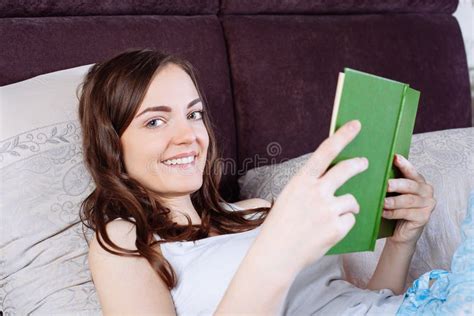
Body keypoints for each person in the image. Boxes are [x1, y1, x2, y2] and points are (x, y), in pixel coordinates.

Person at [78, 49, 472, 315]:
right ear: (112, 146)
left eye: (194, 115)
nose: (189, 136)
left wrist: (403, 238)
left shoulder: (258, 211)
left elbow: (351, 303)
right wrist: (280, 248)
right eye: (155, 121)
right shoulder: (123, 241)